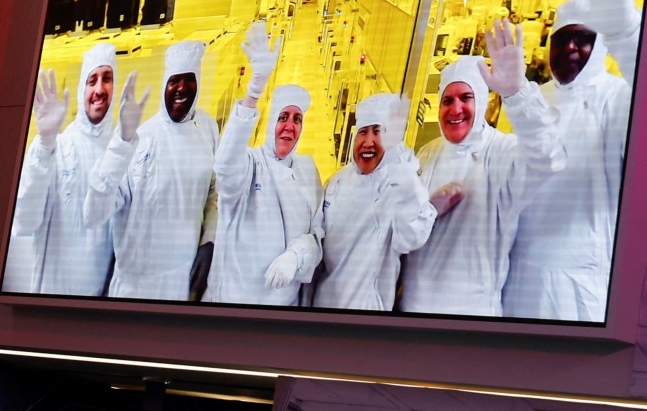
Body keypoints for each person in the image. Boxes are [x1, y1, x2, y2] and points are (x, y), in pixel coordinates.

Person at [505, 0, 641, 321]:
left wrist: (627, 33)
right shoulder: (534, 97)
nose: (570, 48)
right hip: (517, 273)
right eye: (562, 39)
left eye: (582, 39)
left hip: (578, 282)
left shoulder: (615, 98)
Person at [399, 21, 565, 317]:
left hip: (470, 314)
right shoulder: (428, 154)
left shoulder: (503, 153)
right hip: (414, 308)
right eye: (447, 100)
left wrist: (518, 95)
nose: (455, 109)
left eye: (466, 98)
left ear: (483, 101)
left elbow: (549, 157)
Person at [269, 93, 434, 311]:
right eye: (363, 132)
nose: (368, 142)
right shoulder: (337, 182)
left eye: (379, 132)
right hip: (321, 306)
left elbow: (413, 236)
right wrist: (295, 256)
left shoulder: (397, 187)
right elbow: (318, 236)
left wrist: (404, 172)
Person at [88, 40, 219, 300]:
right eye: (174, 80)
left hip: (184, 283)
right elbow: (95, 213)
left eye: (189, 79)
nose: (181, 88)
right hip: (136, 289)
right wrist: (120, 144)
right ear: (164, 85)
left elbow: (214, 191)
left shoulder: (208, 128)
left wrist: (210, 239)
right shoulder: (140, 139)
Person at [206, 23, 321, 306]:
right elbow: (225, 166)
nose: (289, 126)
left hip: (283, 308)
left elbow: (317, 235)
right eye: (283, 117)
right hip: (235, 304)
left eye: (297, 119)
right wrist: (254, 91)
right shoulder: (251, 164)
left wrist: (296, 256)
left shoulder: (307, 170)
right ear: (270, 123)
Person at [6, 43, 124, 295]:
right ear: (82, 88)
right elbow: (24, 221)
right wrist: (44, 143)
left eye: (107, 79)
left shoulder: (122, 152)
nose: (99, 89)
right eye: (92, 80)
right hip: (50, 299)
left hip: (99, 304)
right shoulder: (57, 147)